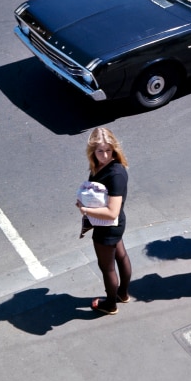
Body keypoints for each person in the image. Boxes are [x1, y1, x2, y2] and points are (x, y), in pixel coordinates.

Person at [76, 127, 132, 315]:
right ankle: (122, 294)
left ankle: (110, 304)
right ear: (92, 151)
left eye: (108, 150)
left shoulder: (115, 173)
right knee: (121, 256)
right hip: (113, 226)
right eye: (100, 151)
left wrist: (85, 209)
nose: (105, 155)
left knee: (107, 267)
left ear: (114, 148)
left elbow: (111, 212)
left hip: (108, 227)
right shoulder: (99, 165)